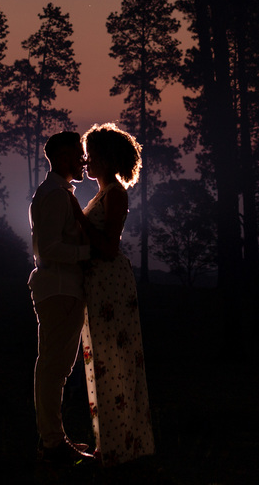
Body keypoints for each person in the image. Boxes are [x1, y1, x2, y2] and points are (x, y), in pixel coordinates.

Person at [74, 122, 155, 467]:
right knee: (103, 364)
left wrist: (78, 220)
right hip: (99, 286)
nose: (86, 162)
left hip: (110, 286)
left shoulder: (116, 194)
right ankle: (110, 444)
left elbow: (108, 248)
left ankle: (120, 447)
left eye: (91, 156)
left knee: (114, 363)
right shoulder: (103, 194)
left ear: (106, 160)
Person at [28, 131, 96, 466]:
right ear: (64, 156)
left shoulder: (54, 193)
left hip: (60, 289)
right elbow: (51, 249)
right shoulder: (55, 195)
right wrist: (89, 253)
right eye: (78, 154)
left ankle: (52, 439)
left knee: (55, 368)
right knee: (54, 368)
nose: (84, 161)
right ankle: (52, 443)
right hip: (60, 290)